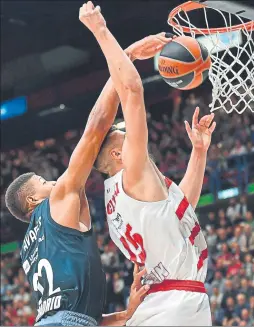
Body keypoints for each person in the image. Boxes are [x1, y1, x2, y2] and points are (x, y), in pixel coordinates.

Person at [4, 9, 173, 325]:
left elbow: (80, 318)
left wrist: (128, 314)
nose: (53, 180)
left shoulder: (31, 251)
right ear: (31, 200)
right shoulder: (58, 200)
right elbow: (96, 127)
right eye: (42, 180)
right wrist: (129, 55)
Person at [80, 2, 216, 325]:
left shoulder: (124, 194)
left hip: (165, 303)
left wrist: (198, 152)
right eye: (122, 137)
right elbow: (131, 90)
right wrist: (105, 33)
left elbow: (181, 209)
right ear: (117, 155)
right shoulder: (133, 172)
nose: (131, 135)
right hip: (173, 306)